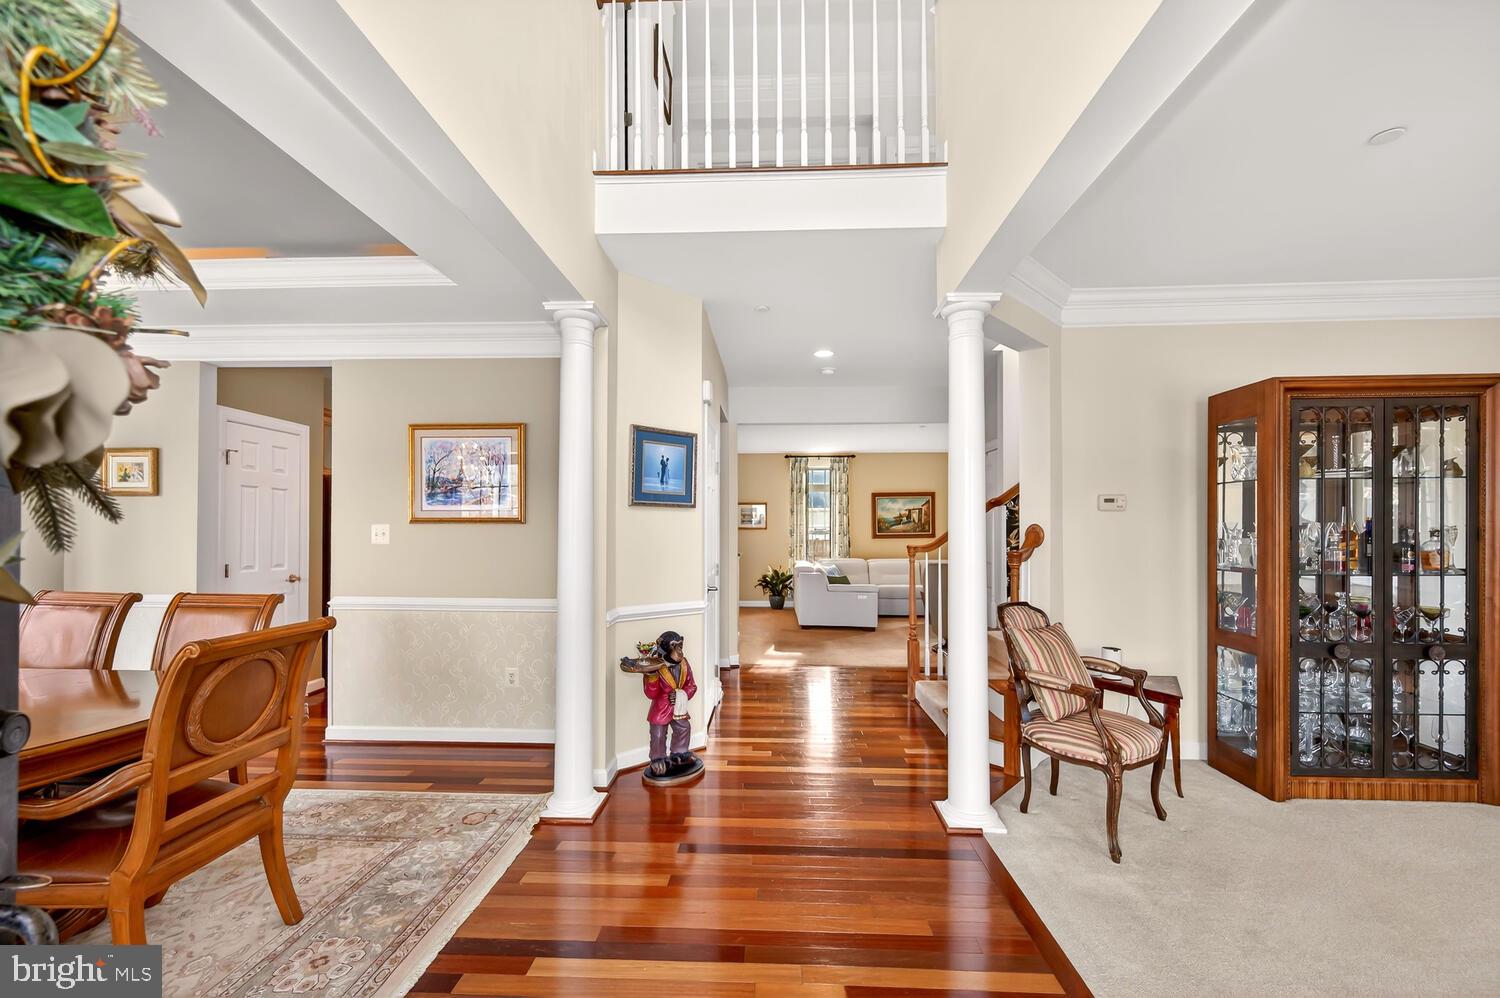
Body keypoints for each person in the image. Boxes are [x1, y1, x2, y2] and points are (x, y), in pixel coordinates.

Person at [641, 631, 696, 777]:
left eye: (680, 645)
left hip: (679, 706)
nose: (679, 650)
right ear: (665, 648)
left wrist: (682, 694)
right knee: (658, 733)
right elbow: (651, 694)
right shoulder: (656, 666)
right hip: (661, 708)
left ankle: (680, 753)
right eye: (674, 646)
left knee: (684, 728)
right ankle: (657, 758)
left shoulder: (684, 664)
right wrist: (651, 676)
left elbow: (692, 686)